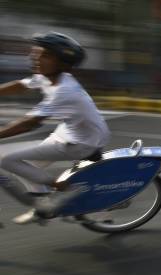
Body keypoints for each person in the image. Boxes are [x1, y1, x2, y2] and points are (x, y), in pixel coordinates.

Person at [0, 32, 110, 224]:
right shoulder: (46, 77)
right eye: (35, 53)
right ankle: (42, 208)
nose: (35, 58)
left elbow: (30, 122)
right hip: (68, 133)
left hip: (81, 142)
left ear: (63, 64)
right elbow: (20, 85)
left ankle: (68, 189)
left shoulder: (64, 91)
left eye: (44, 55)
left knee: (5, 158)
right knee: (29, 168)